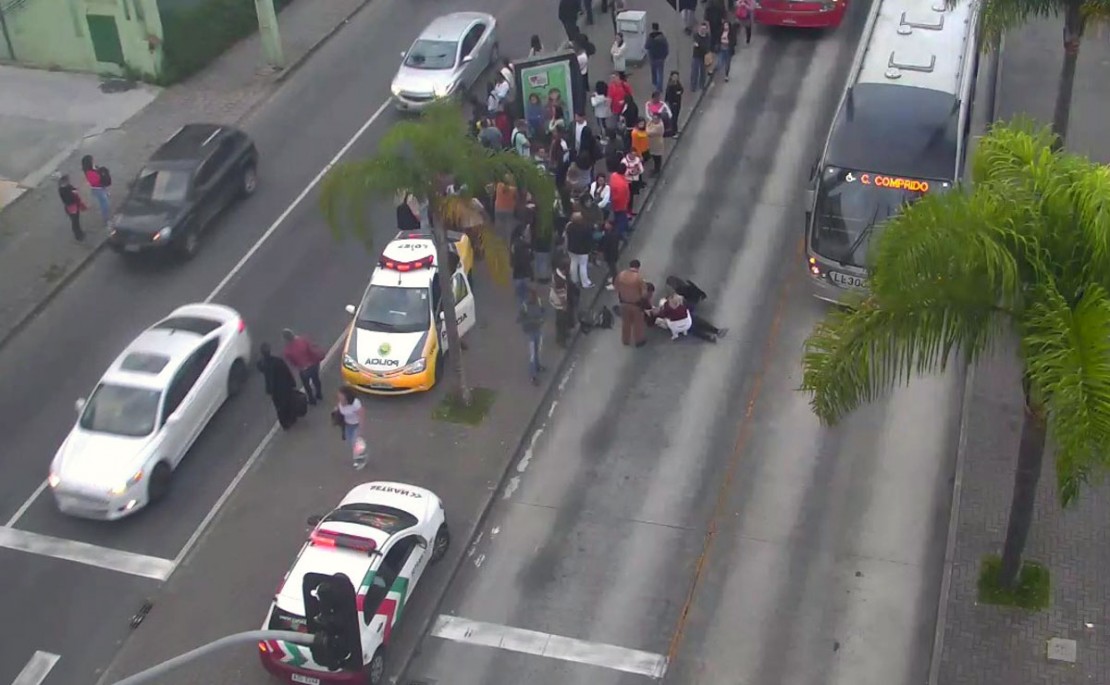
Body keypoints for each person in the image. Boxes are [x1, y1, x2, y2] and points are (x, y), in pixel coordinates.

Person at [664, 275, 729, 341]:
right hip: (690, 306)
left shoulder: (678, 293)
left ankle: (709, 337)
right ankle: (716, 331)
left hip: (683, 317)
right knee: (697, 321)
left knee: (692, 328)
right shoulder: (688, 285)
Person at [257, 343, 299, 429]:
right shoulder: (277, 361)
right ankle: (292, 418)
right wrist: (292, 382)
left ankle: (284, 424)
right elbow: (286, 371)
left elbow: (260, 368)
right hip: (284, 385)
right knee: (289, 402)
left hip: (273, 389)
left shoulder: (262, 364)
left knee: (279, 407)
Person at [282, 329, 325, 405]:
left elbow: (293, 362)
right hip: (313, 365)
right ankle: (319, 394)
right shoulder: (303, 340)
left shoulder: (287, 351)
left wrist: (299, 366)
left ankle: (311, 399)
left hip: (303, 369)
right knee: (316, 380)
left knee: (307, 385)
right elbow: (311, 350)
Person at [614, 259, 648, 347]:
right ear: (638, 267)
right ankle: (639, 340)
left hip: (623, 303)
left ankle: (625, 340)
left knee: (626, 322)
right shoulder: (639, 278)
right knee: (638, 323)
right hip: (635, 305)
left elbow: (616, 288)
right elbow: (644, 294)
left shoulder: (621, 275)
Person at [518, 283, 547, 385]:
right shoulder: (525, 306)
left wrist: (542, 319)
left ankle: (538, 366)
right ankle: (533, 376)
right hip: (531, 332)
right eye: (532, 294)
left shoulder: (538, 301)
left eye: (535, 294)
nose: (534, 297)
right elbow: (520, 319)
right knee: (532, 355)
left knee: (538, 350)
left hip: (538, 330)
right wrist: (529, 323)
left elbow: (543, 311)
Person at [336, 386, 366, 469]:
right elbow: (340, 409)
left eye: (341, 397)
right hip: (347, 425)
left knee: (355, 443)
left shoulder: (355, 404)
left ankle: (360, 460)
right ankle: (359, 456)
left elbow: (361, 415)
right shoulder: (341, 402)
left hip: (356, 425)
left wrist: (361, 429)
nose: (340, 399)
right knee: (351, 442)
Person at [565, 211, 594, 289]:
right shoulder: (585, 228)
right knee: (583, 266)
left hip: (571, 249)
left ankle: (574, 280)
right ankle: (585, 283)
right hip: (583, 250)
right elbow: (589, 239)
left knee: (573, 263)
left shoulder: (569, 226)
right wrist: (590, 249)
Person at [550, 257, 575, 346]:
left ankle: (564, 334)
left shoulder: (557, 273)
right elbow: (561, 295)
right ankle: (561, 340)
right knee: (561, 321)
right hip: (560, 303)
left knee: (563, 319)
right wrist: (564, 305)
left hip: (558, 299)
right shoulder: (560, 280)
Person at [81, 154, 111, 226]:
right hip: (98, 189)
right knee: (105, 204)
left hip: (101, 187)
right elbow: (96, 181)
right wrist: (102, 175)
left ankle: (106, 193)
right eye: (92, 160)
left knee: (104, 197)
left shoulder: (93, 168)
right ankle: (106, 219)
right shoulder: (89, 173)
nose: (94, 161)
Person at [511, 224, 535, 308]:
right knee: (524, 291)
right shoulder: (526, 245)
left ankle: (523, 307)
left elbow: (513, 259)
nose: (528, 233)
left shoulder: (514, 244)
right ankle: (525, 307)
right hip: (525, 273)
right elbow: (530, 259)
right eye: (527, 231)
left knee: (520, 293)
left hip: (518, 273)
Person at [57, 175, 86, 241]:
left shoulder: (67, 187)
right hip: (72, 207)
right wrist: (73, 193)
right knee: (75, 221)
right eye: (68, 180)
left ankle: (80, 232)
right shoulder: (63, 190)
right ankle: (78, 236)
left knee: (76, 220)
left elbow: (72, 189)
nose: (69, 181)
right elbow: (68, 200)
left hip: (74, 206)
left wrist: (75, 190)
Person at [645, 22, 670, 92]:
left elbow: (646, 46)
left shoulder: (650, 37)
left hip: (653, 57)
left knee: (654, 71)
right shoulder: (663, 37)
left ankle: (655, 83)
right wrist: (665, 55)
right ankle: (660, 87)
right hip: (661, 58)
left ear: (652, 28)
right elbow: (666, 47)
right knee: (660, 72)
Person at [609, 162, 632, 238]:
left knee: (622, 217)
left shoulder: (613, 176)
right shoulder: (623, 184)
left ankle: (626, 227)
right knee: (620, 219)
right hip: (621, 204)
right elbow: (625, 195)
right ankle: (620, 234)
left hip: (614, 202)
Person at [599, 219, 622, 289]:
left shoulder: (611, 235)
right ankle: (614, 278)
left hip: (611, 255)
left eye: (607, 224)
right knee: (611, 268)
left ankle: (615, 283)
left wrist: (603, 251)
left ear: (611, 226)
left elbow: (610, 246)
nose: (605, 225)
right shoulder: (611, 232)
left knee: (613, 268)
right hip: (611, 254)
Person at [622, 144, 645, 215]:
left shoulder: (637, 160)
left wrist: (637, 171)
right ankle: (626, 212)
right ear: (629, 154)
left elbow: (642, 170)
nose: (634, 157)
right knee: (627, 198)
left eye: (635, 155)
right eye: (632, 155)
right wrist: (629, 173)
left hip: (635, 181)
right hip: (627, 182)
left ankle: (630, 211)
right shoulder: (624, 162)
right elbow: (622, 172)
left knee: (632, 197)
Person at [494, 174, 518, 239]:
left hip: (498, 208)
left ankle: (499, 240)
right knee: (508, 226)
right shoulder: (514, 189)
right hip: (509, 209)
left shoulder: (499, 185)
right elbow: (516, 198)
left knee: (499, 225)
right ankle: (507, 240)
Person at [691, 22, 711, 92]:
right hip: (696, 56)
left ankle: (702, 85)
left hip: (704, 57)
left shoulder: (707, 37)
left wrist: (699, 45)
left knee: (703, 72)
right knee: (694, 72)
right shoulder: (696, 36)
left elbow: (706, 47)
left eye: (704, 29)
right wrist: (700, 46)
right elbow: (700, 45)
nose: (703, 30)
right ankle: (693, 87)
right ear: (699, 28)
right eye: (702, 28)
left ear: (706, 30)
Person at [665, 72, 685, 137]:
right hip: (673, 104)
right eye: (674, 76)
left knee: (676, 117)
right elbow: (669, 96)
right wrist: (673, 101)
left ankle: (675, 130)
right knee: (673, 118)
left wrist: (679, 92)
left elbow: (682, 89)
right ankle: (673, 132)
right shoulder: (670, 86)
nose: (676, 78)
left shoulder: (677, 83)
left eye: (677, 77)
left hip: (678, 103)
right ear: (671, 77)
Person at [718, 17, 738, 82]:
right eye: (725, 25)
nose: (726, 27)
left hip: (728, 50)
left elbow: (734, 42)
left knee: (727, 63)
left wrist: (729, 43)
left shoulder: (731, 33)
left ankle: (726, 76)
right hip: (722, 49)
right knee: (720, 62)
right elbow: (718, 39)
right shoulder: (721, 32)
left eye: (727, 25)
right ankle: (715, 70)